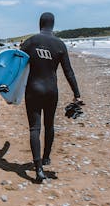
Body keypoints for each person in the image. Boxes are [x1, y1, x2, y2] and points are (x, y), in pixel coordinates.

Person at [21, 12, 82, 183]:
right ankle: (46, 157)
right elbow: (68, 72)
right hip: (51, 90)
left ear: (40, 24)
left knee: (35, 128)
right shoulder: (60, 44)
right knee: (49, 125)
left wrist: (6, 87)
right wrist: (77, 94)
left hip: (33, 90)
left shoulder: (30, 42)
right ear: (53, 25)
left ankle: (38, 168)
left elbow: (16, 65)